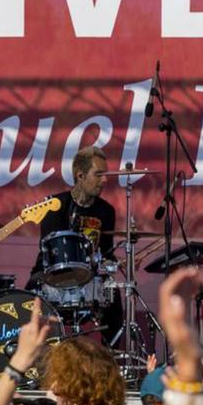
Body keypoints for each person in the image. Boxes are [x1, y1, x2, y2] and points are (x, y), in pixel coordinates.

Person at [29, 145, 124, 341]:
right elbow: (51, 251)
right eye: (98, 174)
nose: (105, 180)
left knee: (112, 293)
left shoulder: (106, 211)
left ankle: (110, 359)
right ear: (80, 176)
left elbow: (105, 251)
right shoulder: (55, 205)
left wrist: (115, 263)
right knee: (27, 299)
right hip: (53, 272)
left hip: (91, 274)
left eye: (105, 174)